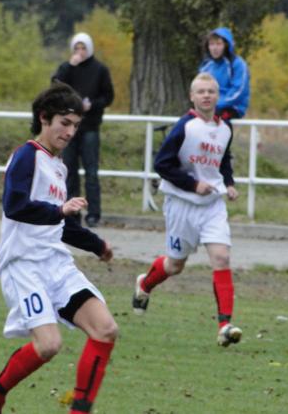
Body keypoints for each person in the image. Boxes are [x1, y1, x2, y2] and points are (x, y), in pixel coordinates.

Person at [0, 83, 117, 414]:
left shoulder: (59, 166)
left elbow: (61, 223)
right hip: (23, 265)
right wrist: (59, 211)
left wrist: (96, 245)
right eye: (64, 123)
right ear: (44, 118)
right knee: (49, 345)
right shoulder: (26, 156)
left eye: (75, 126)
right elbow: (15, 206)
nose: (70, 133)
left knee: (105, 330)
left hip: (56, 263)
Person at [131, 73, 242, 347]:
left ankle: (225, 326)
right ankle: (144, 284)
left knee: (221, 258)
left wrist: (228, 184)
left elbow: (223, 160)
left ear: (217, 96)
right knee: (174, 265)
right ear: (192, 96)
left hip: (212, 204)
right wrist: (193, 185)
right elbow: (162, 164)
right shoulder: (185, 126)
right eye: (201, 91)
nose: (206, 96)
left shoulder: (226, 128)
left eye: (211, 91)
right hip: (181, 204)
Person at [52, 32, 114, 228]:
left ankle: (93, 214)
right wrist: (69, 66)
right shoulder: (67, 68)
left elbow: (108, 96)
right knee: (69, 171)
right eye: (77, 48)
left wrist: (92, 105)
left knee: (91, 172)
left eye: (83, 48)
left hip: (90, 127)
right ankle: (72, 213)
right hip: (68, 128)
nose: (80, 52)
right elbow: (55, 85)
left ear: (90, 49)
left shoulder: (100, 69)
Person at [198, 27, 250, 123]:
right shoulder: (206, 66)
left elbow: (239, 91)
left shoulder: (238, 64)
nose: (214, 48)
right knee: (187, 119)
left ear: (226, 45)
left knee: (214, 118)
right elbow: (198, 88)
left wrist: (216, 104)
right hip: (209, 106)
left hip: (232, 107)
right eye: (211, 44)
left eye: (218, 44)